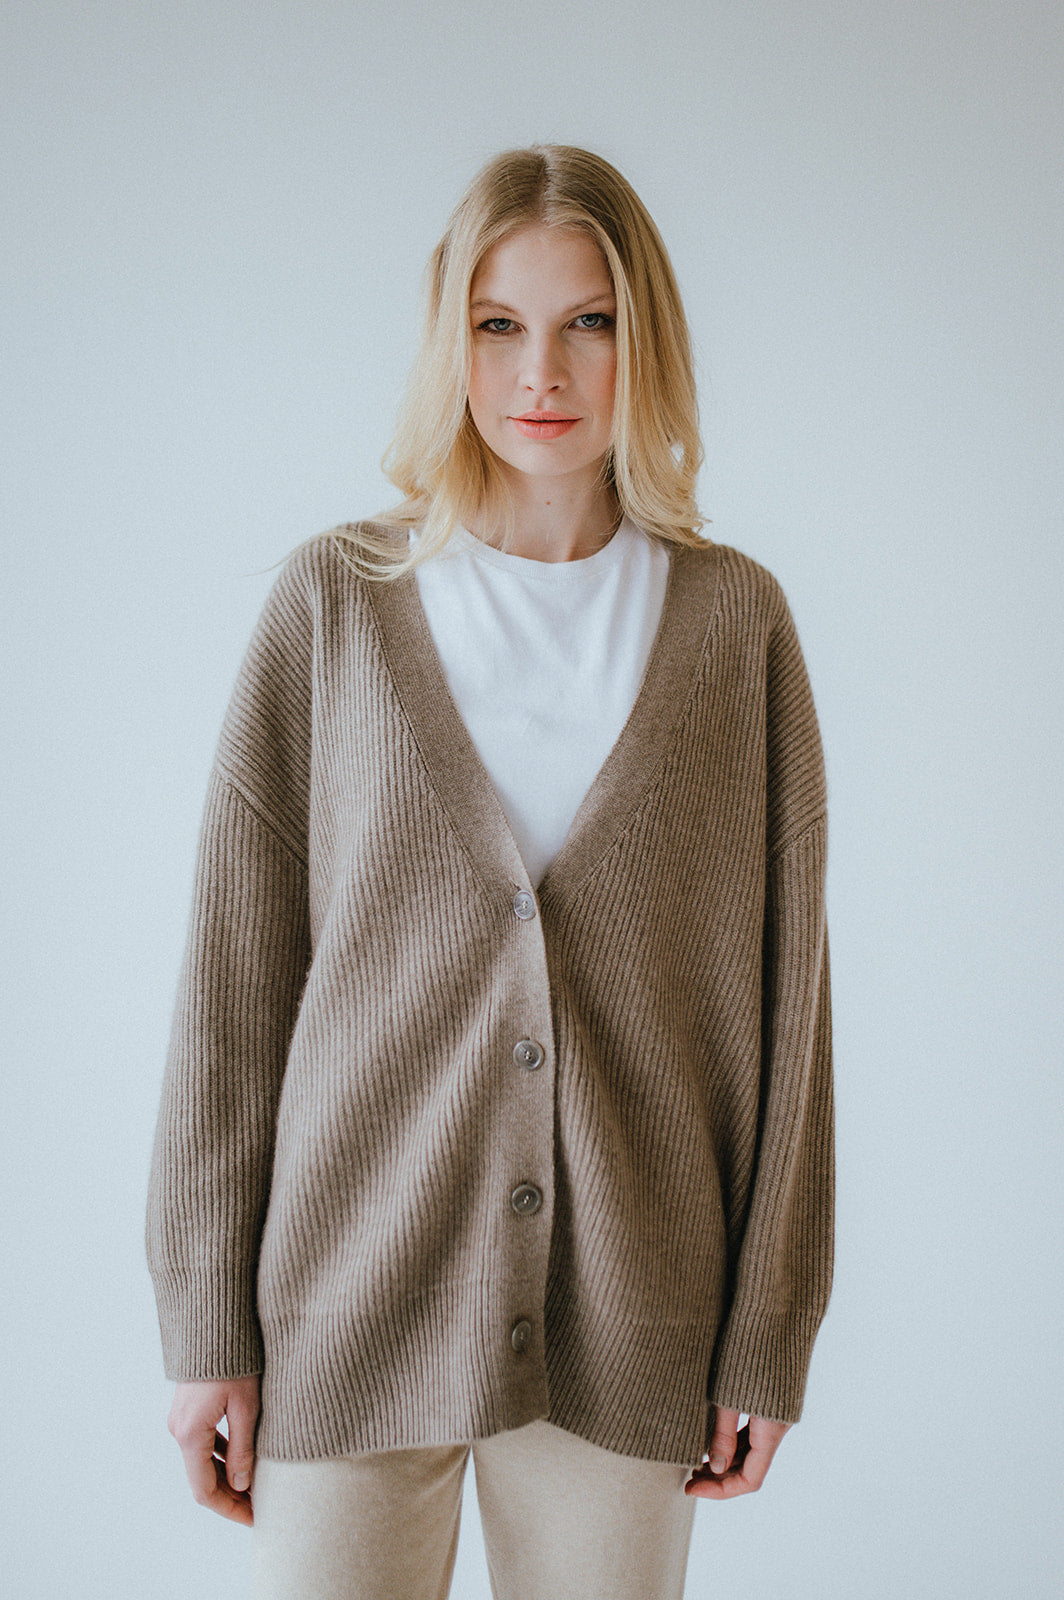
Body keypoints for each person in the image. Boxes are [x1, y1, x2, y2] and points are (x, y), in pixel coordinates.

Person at [147, 143, 833, 1600]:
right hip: (345, 1306)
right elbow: (234, 982)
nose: (543, 372)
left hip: (637, 1320)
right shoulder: (336, 605)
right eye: (498, 324)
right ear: (448, 341)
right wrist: (206, 1317)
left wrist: (769, 1329)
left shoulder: (736, 628)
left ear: (646, 340)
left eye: (590, 322)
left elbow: (792, 1012)